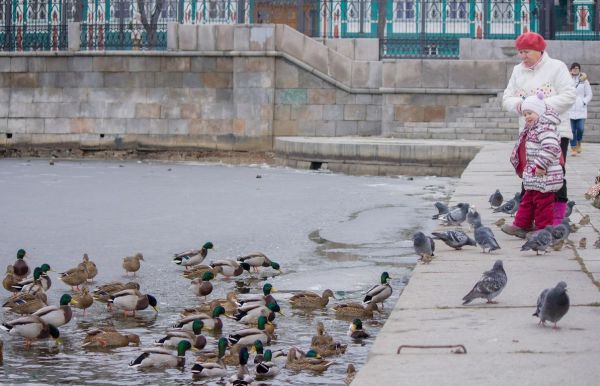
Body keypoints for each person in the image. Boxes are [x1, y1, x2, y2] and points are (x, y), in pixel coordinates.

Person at [502, 32, 575, 235]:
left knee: (555, 174)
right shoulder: (518, 71)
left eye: (525, 52)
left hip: (555, 131)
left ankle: (556, 220)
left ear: (539, 51)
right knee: (529, 175)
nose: (522, 56)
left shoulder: (557, 67)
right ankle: (525, 221)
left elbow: (569, 96)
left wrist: (538, 107)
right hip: (528, 134)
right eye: (520, 52)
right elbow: (507, 97)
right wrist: (522, 106)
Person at [507, 93, 564, 235]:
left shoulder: (546, 128)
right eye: (525, 114)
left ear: (540, 112)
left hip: (545, 174)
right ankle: (521, 224)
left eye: (530, 113)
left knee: (543, 203)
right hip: (534, 175)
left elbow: (551, 148)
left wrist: (541, 165)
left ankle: (544, 229)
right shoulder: (533, 128)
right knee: (528, 200)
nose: (527, 117)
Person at [568, 62, 593, 156]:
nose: (575, 69)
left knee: (580, 128)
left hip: (580, 109)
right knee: (572, 130)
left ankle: (579, 142)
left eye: (577, 68)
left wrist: (583, 101)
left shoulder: (584, 81)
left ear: (579, 70)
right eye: (574, 68)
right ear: (571, 69)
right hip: (570, 108)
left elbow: (589, 94)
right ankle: (573, 148)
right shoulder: (567, 80)